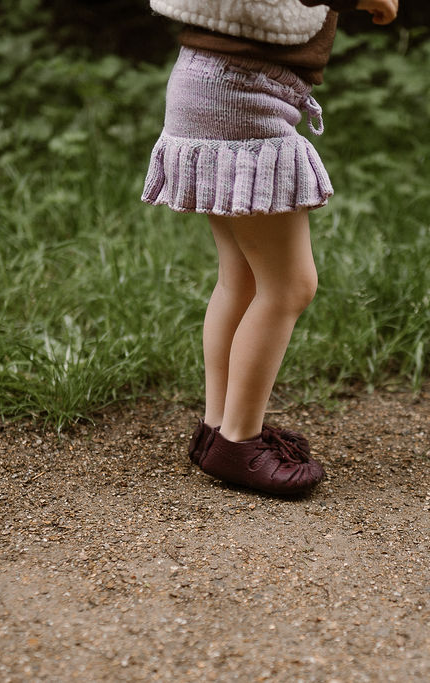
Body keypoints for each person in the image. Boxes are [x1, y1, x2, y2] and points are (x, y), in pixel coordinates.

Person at [141, 0, 398, 495]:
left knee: (240, 280)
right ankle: (238, 441)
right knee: (290, 286)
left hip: (212, 83)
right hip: (240, 94)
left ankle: (218, 428)